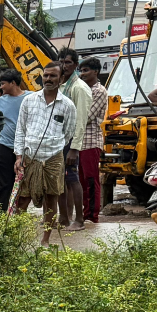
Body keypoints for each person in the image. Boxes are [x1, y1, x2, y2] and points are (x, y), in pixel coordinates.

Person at [15, 62, 77, 246]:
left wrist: (53, 146)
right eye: (46, 75)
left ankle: (46, 240)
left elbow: (68, 133)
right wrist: (19, 157)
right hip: (29, 156)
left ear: (61, 79)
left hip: (53, 157)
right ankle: (20, 238)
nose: (48, 79)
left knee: (52, 199)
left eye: (53, 76)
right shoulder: (29, 100)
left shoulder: (67, 105)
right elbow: (20, 130)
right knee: (22, 200)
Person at [57, 48, 92, 231]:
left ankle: (79, 219)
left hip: (71, 142)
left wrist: (75, 147)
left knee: (72, 179)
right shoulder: (61, 86)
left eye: (68, 62)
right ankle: (63, 217)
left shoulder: (79, 88)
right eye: (61, 62)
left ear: (76, 65)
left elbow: (81, 120)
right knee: (60, 181)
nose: (64, 66)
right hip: (58, 141)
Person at [0, 69, 27, 213]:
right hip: (4, 147)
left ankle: (18, 219)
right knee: (2, 186)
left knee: (23, 187)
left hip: (24, 149)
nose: (1, 87)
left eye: (3, 83)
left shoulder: (30, 98)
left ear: (13, 83)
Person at [78, 56, 108, 224]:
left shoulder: (99, 91)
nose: (83, 74)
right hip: (79, 142)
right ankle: (84, 212)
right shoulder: (82, 89)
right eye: (81, 70)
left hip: (91, 141)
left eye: (86, 70)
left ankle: (92, 215)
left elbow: (88, 116)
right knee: (81, 180)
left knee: (90, 179)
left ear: (95, 72)